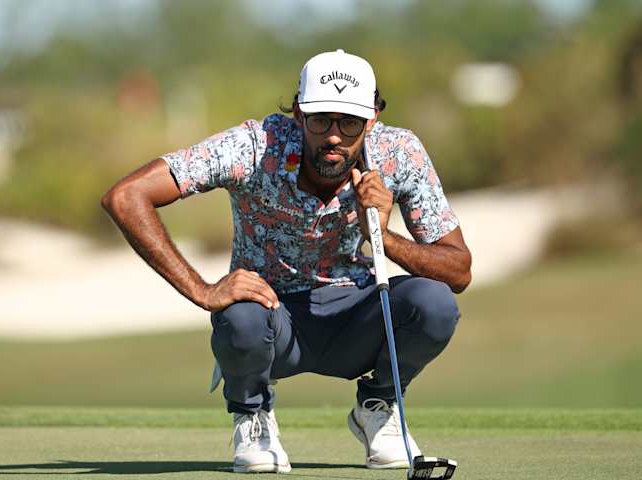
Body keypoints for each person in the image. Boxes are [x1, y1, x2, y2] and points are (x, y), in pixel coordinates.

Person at [102, 49, 472, 474]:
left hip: (357, 319)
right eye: (320, 120)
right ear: (298, 114)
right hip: (270, 324)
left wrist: (382, 235)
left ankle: (380, 406)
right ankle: (252, 412)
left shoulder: (399, 152)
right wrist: (201, 290)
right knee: (239, 317)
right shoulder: (255, 147)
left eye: (349, 122)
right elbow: (126, 196)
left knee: (433, 303)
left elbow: (458, 270)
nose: (334, 136)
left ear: (372, 118)